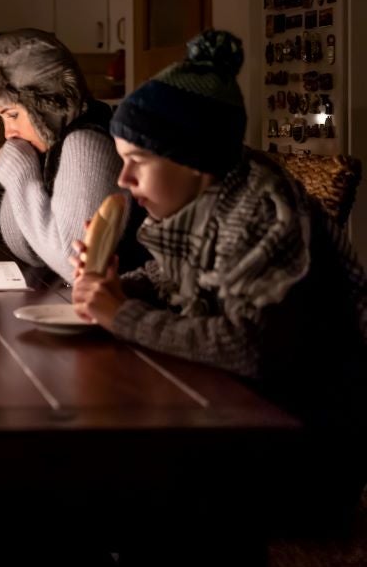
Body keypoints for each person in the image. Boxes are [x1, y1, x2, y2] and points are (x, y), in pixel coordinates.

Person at [73, 30, 367, 527]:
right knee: (69, 478)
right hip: (230, 425)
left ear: (193, 161)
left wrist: (122, 314)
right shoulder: (210, 198)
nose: (123, 180)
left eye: (136, 162)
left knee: (77, 488)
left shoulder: (258, 213)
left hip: (300, 458)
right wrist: (120, 285)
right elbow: (175, 278)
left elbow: (248, 344)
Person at [0, 28, 148, 282]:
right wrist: (27, 174)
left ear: (46, 105)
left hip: (117, 308)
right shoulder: (53, 143)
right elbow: (29, 251)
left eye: (13, 115)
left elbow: (76, 269)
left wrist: (21, 178)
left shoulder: (86, 144)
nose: (8, 132)